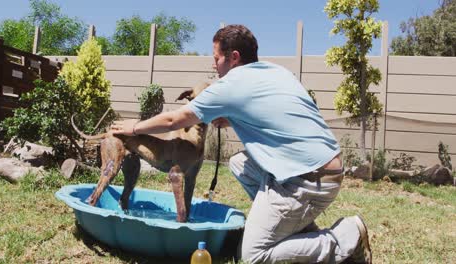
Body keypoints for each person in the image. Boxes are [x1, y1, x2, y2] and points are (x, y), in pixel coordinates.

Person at [111, 25, 372, 264]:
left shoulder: (231, 83)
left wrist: (132, 128)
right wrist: (237, 121)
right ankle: (298, 227)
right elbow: (281, 118)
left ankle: (343, 239)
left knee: (252, 256)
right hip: (328, 167)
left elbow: (174, 119)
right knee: (239, 163)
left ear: (234, 57)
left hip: (307, 181)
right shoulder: (276, 71)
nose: (215, 67)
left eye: (217, 59)